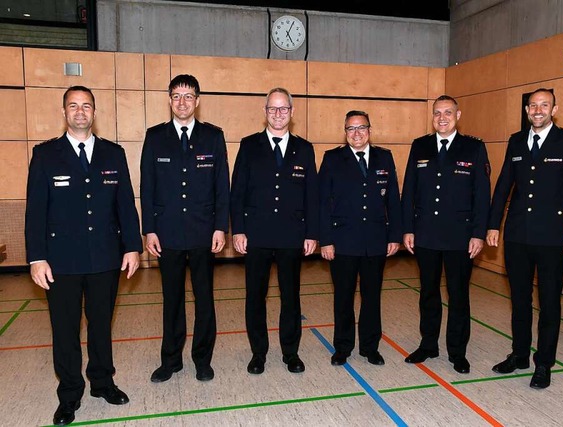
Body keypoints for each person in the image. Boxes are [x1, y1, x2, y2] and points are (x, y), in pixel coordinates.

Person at [25, 85, 142, 426]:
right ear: (64, 112)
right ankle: (70, 395)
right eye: (73, 106)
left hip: (105, 258)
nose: (80, 111)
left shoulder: (114, 154)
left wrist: (132, 247)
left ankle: (103, 383)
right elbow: (36, 212)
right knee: (65, 331)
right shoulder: (46, 155)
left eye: (86, 106)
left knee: (101, 325)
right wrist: (36, 258)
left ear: (95, 112)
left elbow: (125, 205)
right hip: (61, 262)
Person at [487, 88, 563, 389]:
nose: (538, 110)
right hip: (518, 235)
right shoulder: (517, 141)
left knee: (549, 303)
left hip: (553, 238)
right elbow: (504, 185)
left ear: (554, 109)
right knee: (519, 301)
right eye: (533, 105)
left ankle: (543, 363)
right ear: (527, 110)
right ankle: (519, 355)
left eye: (544, 105)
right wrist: (493, 225)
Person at [140, 74, 230, 383]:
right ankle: (171, 360)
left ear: (198, 101)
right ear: (169, 100)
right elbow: (147, 186)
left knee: (204, 298)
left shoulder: (213, 137)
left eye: (189, 96)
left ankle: (202, 359)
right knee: (172, 299)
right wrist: (149, 230)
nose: (182, 102)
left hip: (204, 232)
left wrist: (221, 228)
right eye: (177, 96)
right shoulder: (155, 137)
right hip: (167, 235)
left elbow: (222, 187)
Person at [230, 87, 319, 375]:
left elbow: (311, 196)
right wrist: (238, 230)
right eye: (272, 109)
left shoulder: (304, 148)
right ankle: (258, 353)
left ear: (292, 113)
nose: (278, 114)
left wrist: (311, 233)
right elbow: (237, 192)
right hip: (256, 235)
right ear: (265, 111)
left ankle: (290, 352)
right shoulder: (249, 145)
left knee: (290, 296)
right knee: (255, 296)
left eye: (283, 109)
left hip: (292, 236)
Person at [401, 95, 491, 374]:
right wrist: (407, 228)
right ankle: (428, 344)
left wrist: (478, 234)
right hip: (426, 233)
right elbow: (409, 192)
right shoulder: (420, 146)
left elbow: (482, 195)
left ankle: (457, 351)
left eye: (448, 112)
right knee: (428, 292)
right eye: (437, 113)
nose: (442, 117)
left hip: (460, 237)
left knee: (458, 294)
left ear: (458, 115)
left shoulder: (473, 148)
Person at [318, 110, 402, 366]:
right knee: (343, 297)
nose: (356, 133)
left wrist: (394, 236)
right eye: (351, 129)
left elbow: (393, 200)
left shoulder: (384, 158)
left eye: (361, 127)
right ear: (345, 133)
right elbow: (321, 202)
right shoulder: (332, 159)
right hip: (342, 242)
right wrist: (326, 240)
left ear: (369, 129)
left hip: (375, 241)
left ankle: (370, 347)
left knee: (372, 297)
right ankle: (342, 347)